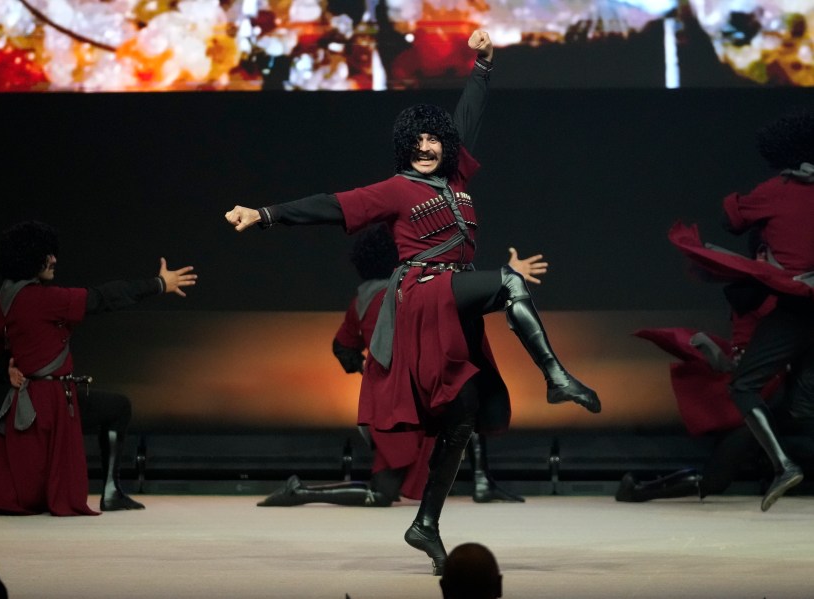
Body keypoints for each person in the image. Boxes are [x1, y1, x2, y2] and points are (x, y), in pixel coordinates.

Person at [225, 29, 601, 575]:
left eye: (435, 141)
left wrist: (483, 67)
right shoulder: (396, 189)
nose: (428, 148)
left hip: (456, 301)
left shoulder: (456, 176)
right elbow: (332, 205)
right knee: (512, 284)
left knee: (464, 415)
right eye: (418, 142)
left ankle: (425, 523)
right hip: (425, 295)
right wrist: (264, 214)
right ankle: (557, 378)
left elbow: (468, 118)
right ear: (406, 147)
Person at [0, 220, 196, 516]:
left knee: (115, 407)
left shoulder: (4, 302)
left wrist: (4, 370)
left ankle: (112, 492)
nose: (54, 260)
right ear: (32, 259)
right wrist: (159, 284)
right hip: (46, 408)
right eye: (48, 254)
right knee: (14, 498)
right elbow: (102, 298)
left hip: (47, 401)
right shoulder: (42, 299)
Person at [258, 224, 546, 507]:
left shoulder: (362, 301)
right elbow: (466, 295)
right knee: (464, 390)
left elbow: (342, 346)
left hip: (394, 401)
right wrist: (508, 274)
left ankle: (302, 493)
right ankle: (482, 482)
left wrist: (369, 370)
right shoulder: (413, 290)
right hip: (418, 398)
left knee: (383, 490)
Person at [662, 109, 814, 511]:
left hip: (798, 309)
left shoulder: (778, 190)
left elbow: (733, 217)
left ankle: (784, 465)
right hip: (796, 314)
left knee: (746, 388)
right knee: (800, 406)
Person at [6, 363, 146, 511]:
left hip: (30, 396)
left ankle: (109, 491)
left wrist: (8, 369)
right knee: (120, 406)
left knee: (117, 406)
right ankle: (111, 491)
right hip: (49, 395)